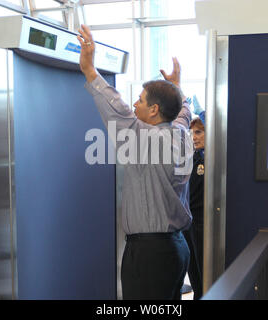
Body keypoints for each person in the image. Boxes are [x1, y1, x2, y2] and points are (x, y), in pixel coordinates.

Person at [77, 25, 193, 300]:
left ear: (154, 110)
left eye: (140, 101)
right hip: (177, 248)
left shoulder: (146, 139)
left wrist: (90, 70)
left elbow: (116, 108)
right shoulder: (181, 132)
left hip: (151, 255)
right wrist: (176, 87)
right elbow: (184, 111)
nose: (135, 104)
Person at [183, 116, 205, 300]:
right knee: (194, 272)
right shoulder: (192, 157)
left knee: (203, 271)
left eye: (198, 132)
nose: (194, 137)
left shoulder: (209, 160)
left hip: (203, 223)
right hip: (190, 223)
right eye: (191, 133)